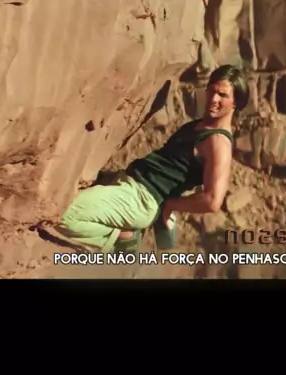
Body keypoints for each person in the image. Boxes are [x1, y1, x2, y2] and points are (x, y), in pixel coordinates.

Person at [44, 64, 249, 253]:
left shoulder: (218, 144)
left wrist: (171, 205)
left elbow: (212, 200)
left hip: (141, 198)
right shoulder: (201, 125)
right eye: (212, 90)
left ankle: (123, 239)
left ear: (235, 103)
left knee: (59, 213)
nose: (214, 99)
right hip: (130, 183)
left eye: (223, 95)